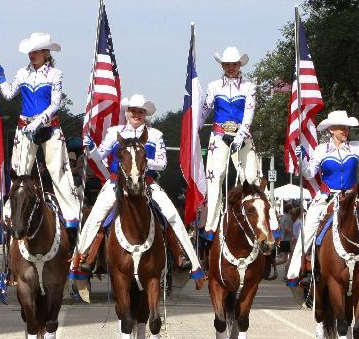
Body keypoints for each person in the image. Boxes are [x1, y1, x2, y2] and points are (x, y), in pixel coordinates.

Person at [70, 94, 205, 285]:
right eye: (133, 111)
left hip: (146, 182)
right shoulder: (114, 132)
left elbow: (162, 164)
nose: (136, 114)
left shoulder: (156, 134)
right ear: (127, 113)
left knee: (172, 214)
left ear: (144, 114)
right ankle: (83, 258)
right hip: (117, 182)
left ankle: (187, 258)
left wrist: (141, 163)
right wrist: (90, 149)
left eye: (140, 112)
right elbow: (100, 157)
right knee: (96, 216)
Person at [285, 110, 359, 302]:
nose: (345, 130)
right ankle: (296, 273)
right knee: (308, 231)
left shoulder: (355, 147)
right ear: (331, 130)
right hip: (327, 198)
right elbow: (310, 174)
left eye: (346, 127)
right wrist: (302, 159)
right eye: (341, 127)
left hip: (353, 199)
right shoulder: (321, 150)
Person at [0, 32, 79, 241]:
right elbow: (8, 94)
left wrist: (39, 121)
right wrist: (1, 77)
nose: (31, 54)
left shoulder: (55, 74)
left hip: (49, 127)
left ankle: (71, 217)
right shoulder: (22, 73)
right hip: (24, 127)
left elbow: (56, 103)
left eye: (36, 51)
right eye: (30, 51)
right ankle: (10, 214)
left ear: (45, 53)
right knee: (18, 172)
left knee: (58, 170)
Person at [200, 47, 266, 240]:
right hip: (219, 135)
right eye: (227, 64)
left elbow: (249, 112)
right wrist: (195, 127)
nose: (230, 68)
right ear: (222, 65)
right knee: (215, 177)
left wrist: (241, 135)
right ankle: (211, 226)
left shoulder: (249, 86)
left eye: (234, 64)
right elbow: (205, 109)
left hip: (241, 134)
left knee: (252, 177)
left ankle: (262, 221)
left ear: (239, 65)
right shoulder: (213, 86)